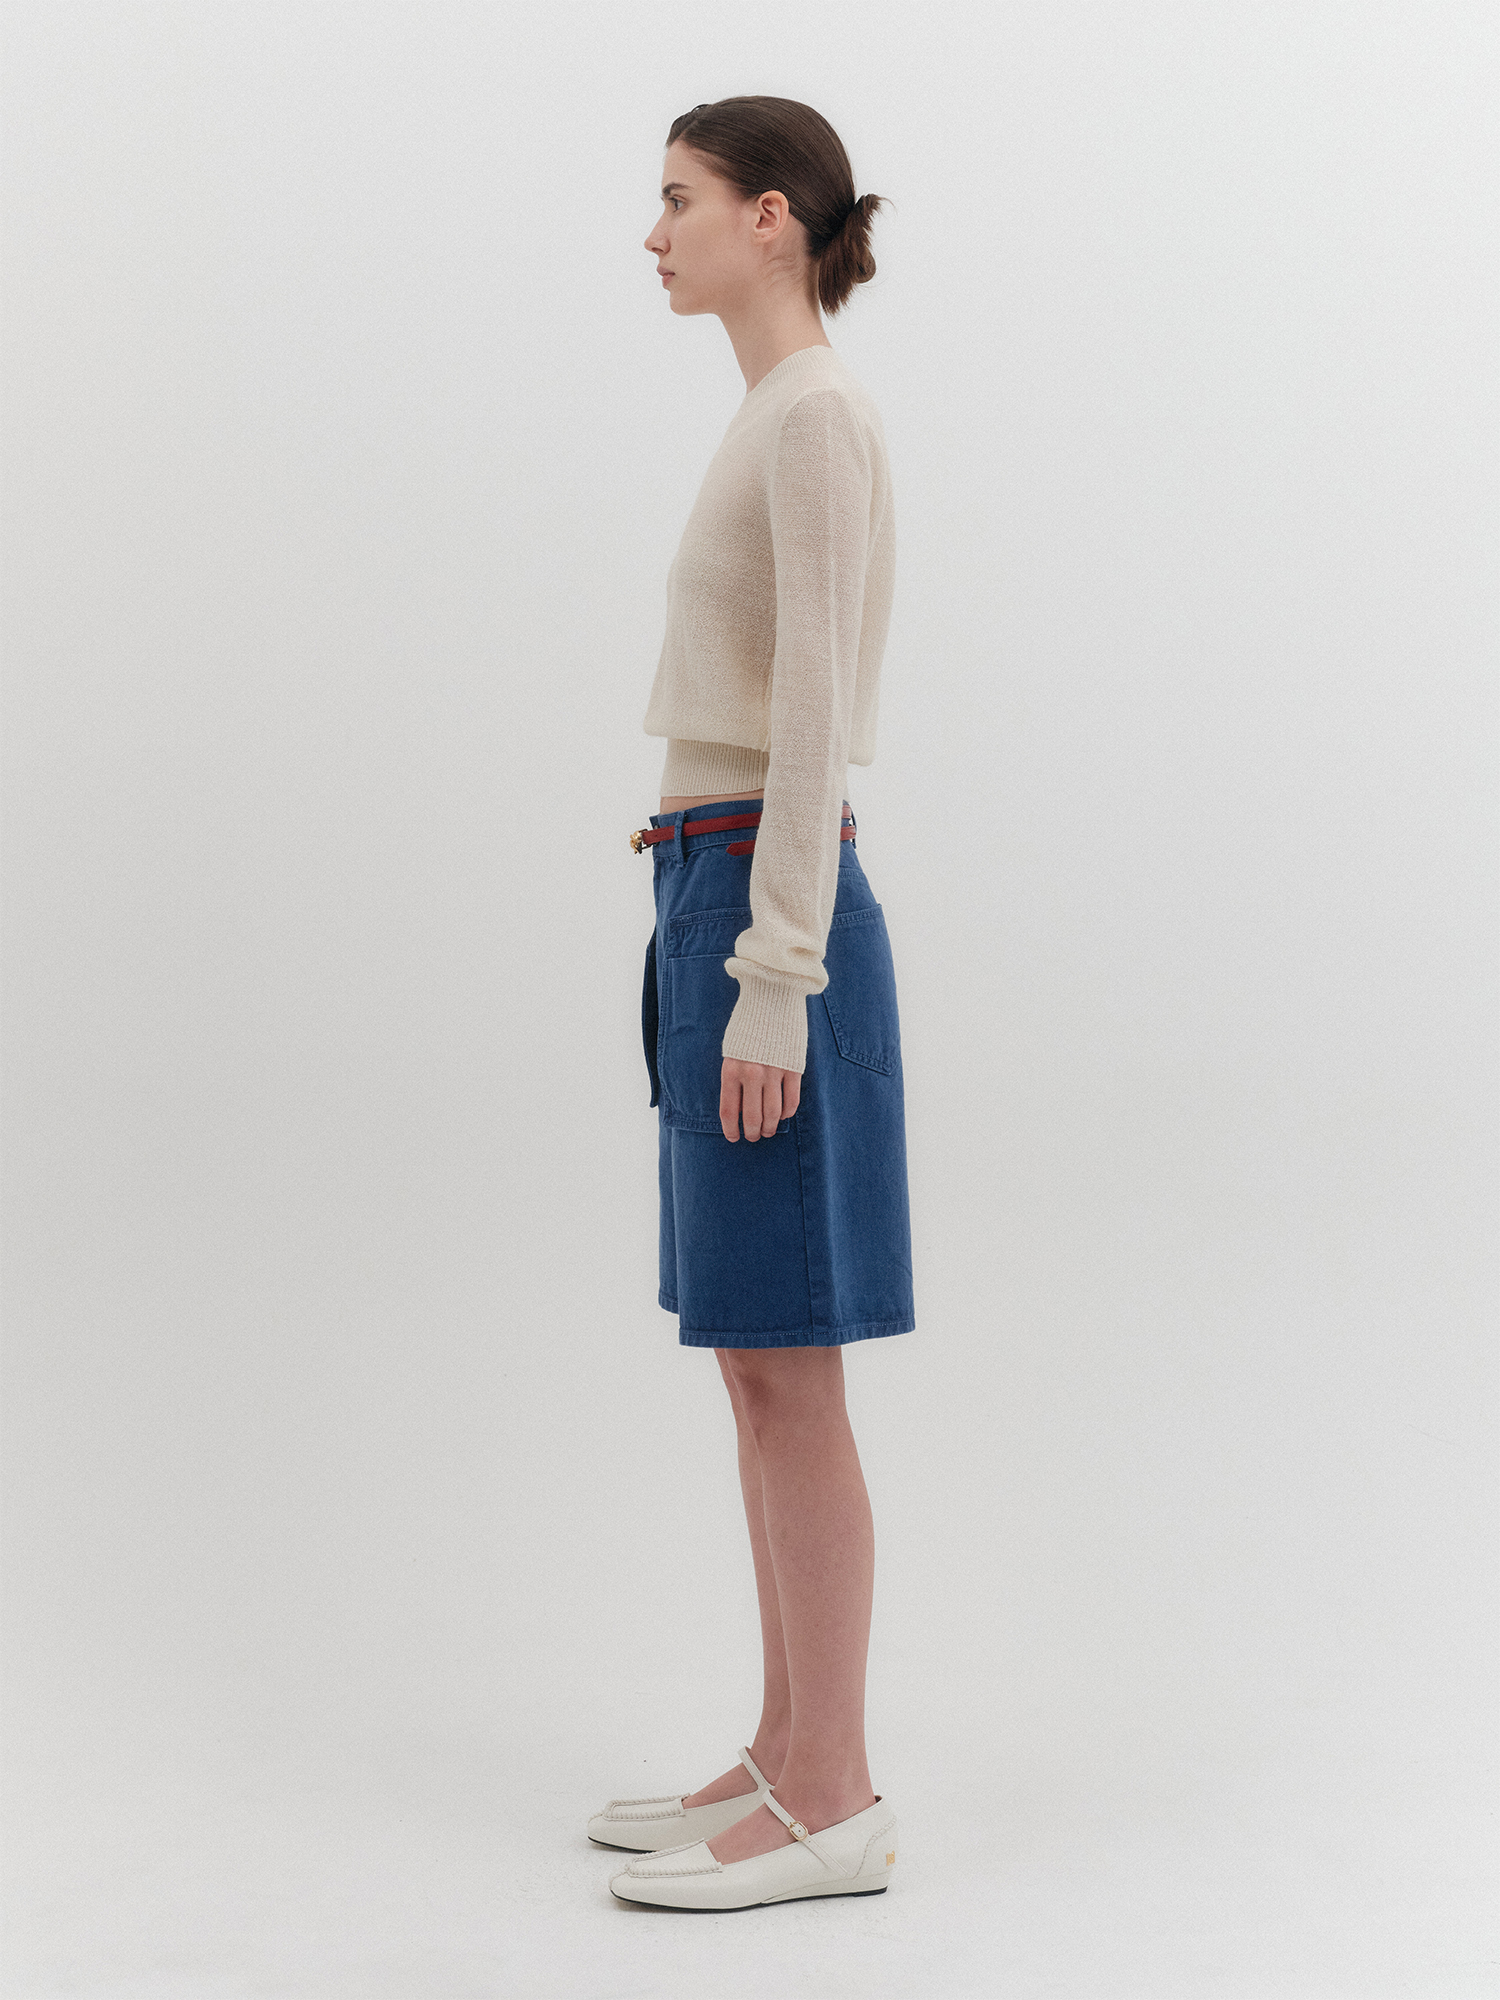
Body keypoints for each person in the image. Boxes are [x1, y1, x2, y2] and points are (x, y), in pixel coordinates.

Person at [591, 96, 914, 1913]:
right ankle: (788, 1751)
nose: (654, 233)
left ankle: (836, 1799)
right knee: (752, 1355)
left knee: (791, 1366)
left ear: (771, 217)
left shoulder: (814, 418)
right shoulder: (772, 411)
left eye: (678, 199)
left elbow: (810, 716)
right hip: (708, 880)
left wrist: (775, 975)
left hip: (761, 905)